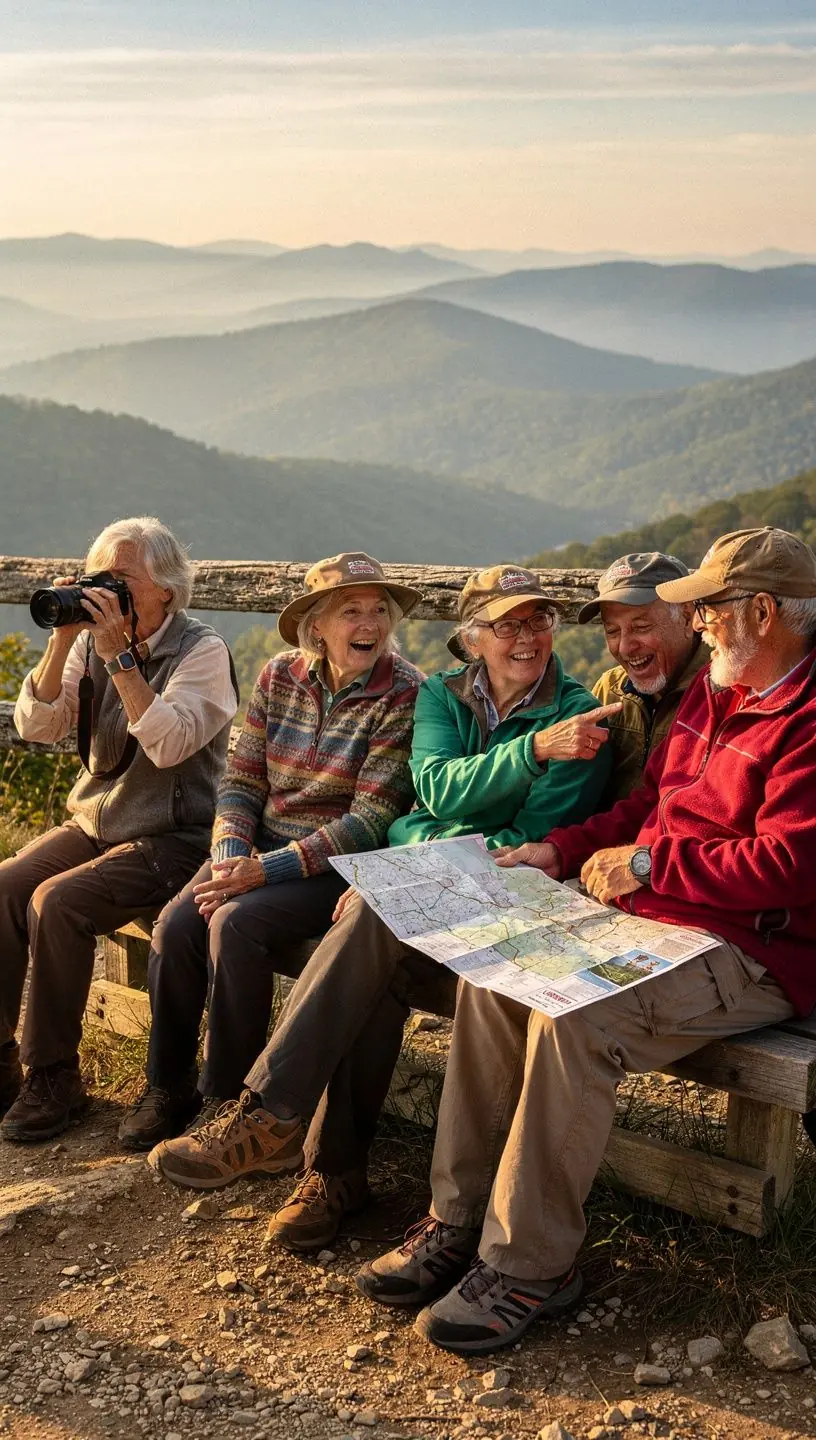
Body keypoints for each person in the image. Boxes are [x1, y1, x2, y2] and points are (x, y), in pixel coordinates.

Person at [358, 526, 816, 1356]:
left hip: (756, 951)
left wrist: (649, 865)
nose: (699, 624)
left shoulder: (808, 717)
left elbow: (788, 866)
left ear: (761, 611)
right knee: (496, 977)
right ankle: (457, 1220)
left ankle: (533, 1264)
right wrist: (559, 851)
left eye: (708, 609)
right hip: (666, 921)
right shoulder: (716, 693)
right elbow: (648, 808)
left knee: (578, 1019)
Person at [147, 563, 619, 1251]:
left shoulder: (576, 716)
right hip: (434, 883)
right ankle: (328, 1171)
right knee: (370, 938)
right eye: (509, 623)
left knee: (369, 915)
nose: (528, 637)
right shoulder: (445, 699)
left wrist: (440, 835)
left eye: (540, 620)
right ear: (474, 638)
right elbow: (428, 797)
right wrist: (517, 769)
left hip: (515, 900)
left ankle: (273, 1120)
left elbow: (529, 838)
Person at [118, 552, 423, 1150]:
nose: (369, 624)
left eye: (378, 611)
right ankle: (167, 1086)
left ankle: (228, 1104)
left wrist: (263, 872)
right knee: (176, 926)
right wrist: (232, 851)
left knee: (234, 925)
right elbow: (242, 780)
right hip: (254, 850)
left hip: (333, 867)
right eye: (351, 612)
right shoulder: (280, 674)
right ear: (316, 625)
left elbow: (371, 821)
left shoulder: (403, 691)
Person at [0, 517, 238, 1142]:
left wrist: (120, 661)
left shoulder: (202, 651)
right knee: (5, 886)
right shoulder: (90, 643)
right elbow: (37, 727)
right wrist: (62, 640)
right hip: (102, 821)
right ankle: (3, 1059)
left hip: (177, 835)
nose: (107, 591)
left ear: (166, 589)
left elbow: (169, 745)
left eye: (121, 579)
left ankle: (52, 1073)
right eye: (98, 578)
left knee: (57, 902)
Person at [579, 551, 707, 806]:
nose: (625, 647)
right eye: (612, 631)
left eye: (641, 627)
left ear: (686, 616)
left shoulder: (724, 690)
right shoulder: (609, 690)